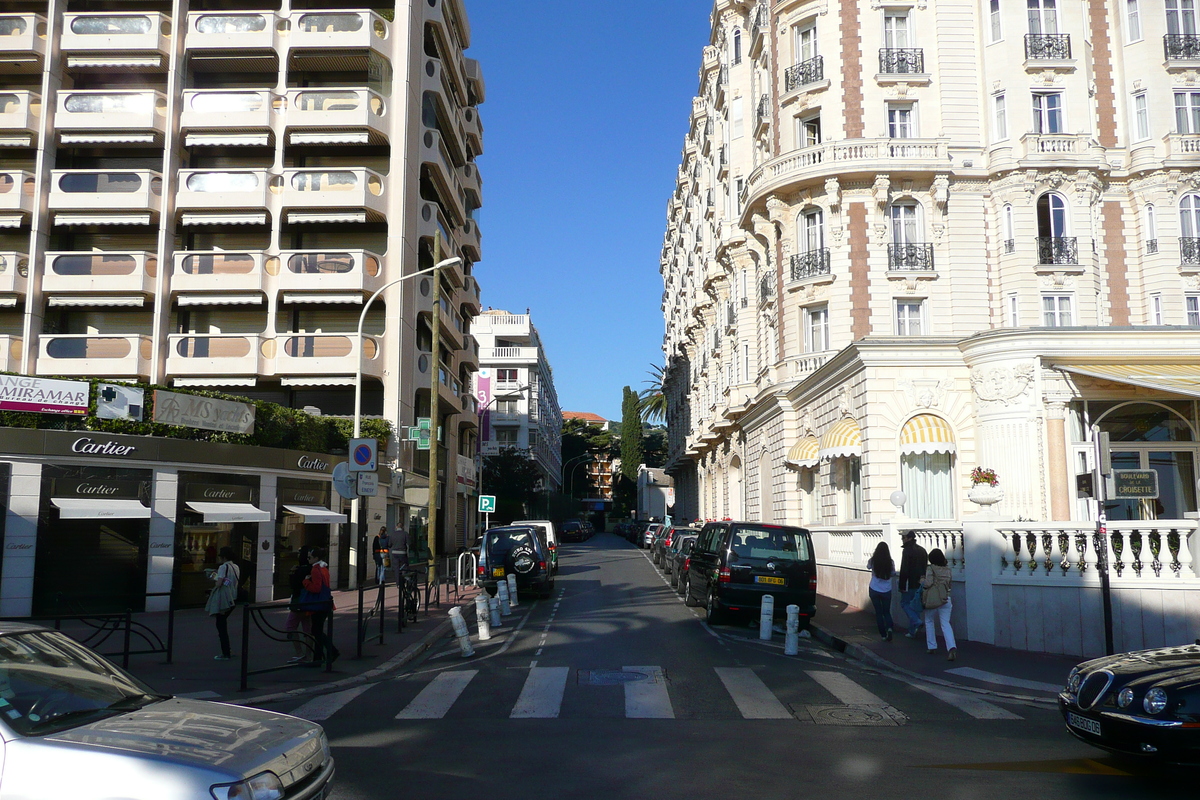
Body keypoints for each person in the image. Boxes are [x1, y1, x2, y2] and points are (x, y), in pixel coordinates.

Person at [302, 548, 339, 666]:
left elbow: (316, 588)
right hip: (325, 602)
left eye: (309, 557)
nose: (308, 559)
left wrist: (306, 582)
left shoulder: (315, 569)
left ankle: (332, 651)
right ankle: (318, 658)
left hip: (318, 604)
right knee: (317, 630)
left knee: (316, 631)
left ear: (316, 558)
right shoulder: (324, 568)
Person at [204, 546, 240, 660]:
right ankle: (227, 651)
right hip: (233, 597)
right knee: (222, 623)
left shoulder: (223, 567)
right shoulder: (235, 567)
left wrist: (214, 579)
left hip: (224, 598)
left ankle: (225, 652)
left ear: (223, 557)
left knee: (220, 625)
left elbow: (219, 583)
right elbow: (231, 582)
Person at [921, 548, 957, 660]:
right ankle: (951, 647)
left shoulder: (931, 569)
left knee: (929, 620)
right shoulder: (948, 570)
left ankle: (932, 646)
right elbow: (949, 585)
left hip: (933, 599)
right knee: (945, 623)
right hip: (945, 598)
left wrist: (921, 581)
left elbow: (928, 583)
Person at [284, 546, 313, 663]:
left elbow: (293, 585)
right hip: (310, 601)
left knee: (290, 626)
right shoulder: (313, 569)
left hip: (298, 602)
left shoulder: (299, 570)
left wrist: (292, 573)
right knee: (308, 629)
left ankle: (300, 653)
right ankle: (309, 655)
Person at [898, 531, 929, 638]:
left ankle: (916, 622)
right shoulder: (922, 550)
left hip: (909, 582)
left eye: (904, 537)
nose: (902, 539)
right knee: (915, 605)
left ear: (909, 538)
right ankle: (912, 631)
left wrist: (901, 585)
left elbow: (904, 569)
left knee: (905, 603)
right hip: (920, 582)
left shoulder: (907, 551)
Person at [866, 541, 895, 642]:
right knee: (886, 611)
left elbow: (868, 566)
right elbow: (893, 573)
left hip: (874, 588)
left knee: (879, 613)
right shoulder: (890, 562)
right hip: (886, 590)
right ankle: (890, 628)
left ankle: (883, 635)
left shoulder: (873, 561)